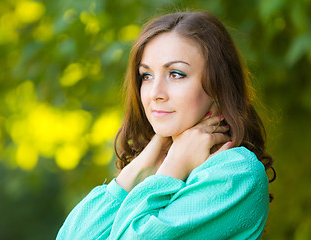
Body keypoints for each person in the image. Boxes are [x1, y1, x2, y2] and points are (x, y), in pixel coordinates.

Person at [56, 10, 275, 239]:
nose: (155, 93)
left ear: (218, 86)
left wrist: (174, 167)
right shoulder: (155, 165)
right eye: (146, 76)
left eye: (176, 74)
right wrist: (137, 169)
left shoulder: (235, 174)